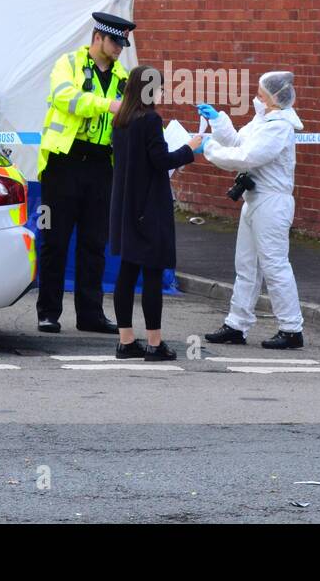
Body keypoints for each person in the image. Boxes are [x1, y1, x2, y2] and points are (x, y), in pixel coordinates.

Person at [35, 11, 134, 335]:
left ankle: (90, 314)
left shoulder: (123, 77)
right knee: (55, 240)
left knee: (94, 242)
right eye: (115, 41)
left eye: (123, 42)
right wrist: (107, 106)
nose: (120, 47)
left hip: (101, 166)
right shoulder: (68, 64)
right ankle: (48, 313)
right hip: (63, 162)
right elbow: (66, 98)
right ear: (98, 38)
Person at [196, 72, 305, 349]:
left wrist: (210, 149)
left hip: (272, 203)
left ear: (273, 98)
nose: (256, 97)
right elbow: (237, 142)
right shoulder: (263, 120)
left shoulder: (278, 127)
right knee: (246, 265)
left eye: (260, 93)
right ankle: (237, 323)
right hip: (255, 198)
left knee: (275, 265)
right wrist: (218, 122)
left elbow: (246, 157)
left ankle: (291, 328)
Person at [108, 65, 204, 361]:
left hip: (125, 205)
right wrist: (189, 148)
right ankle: (154, 343)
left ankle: (126, 341)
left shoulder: (120, 120)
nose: (161, 93)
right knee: (151, 273)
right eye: (159, 87)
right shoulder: (150, 120)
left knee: (126, 272)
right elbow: (161, 161)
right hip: (149, 207)